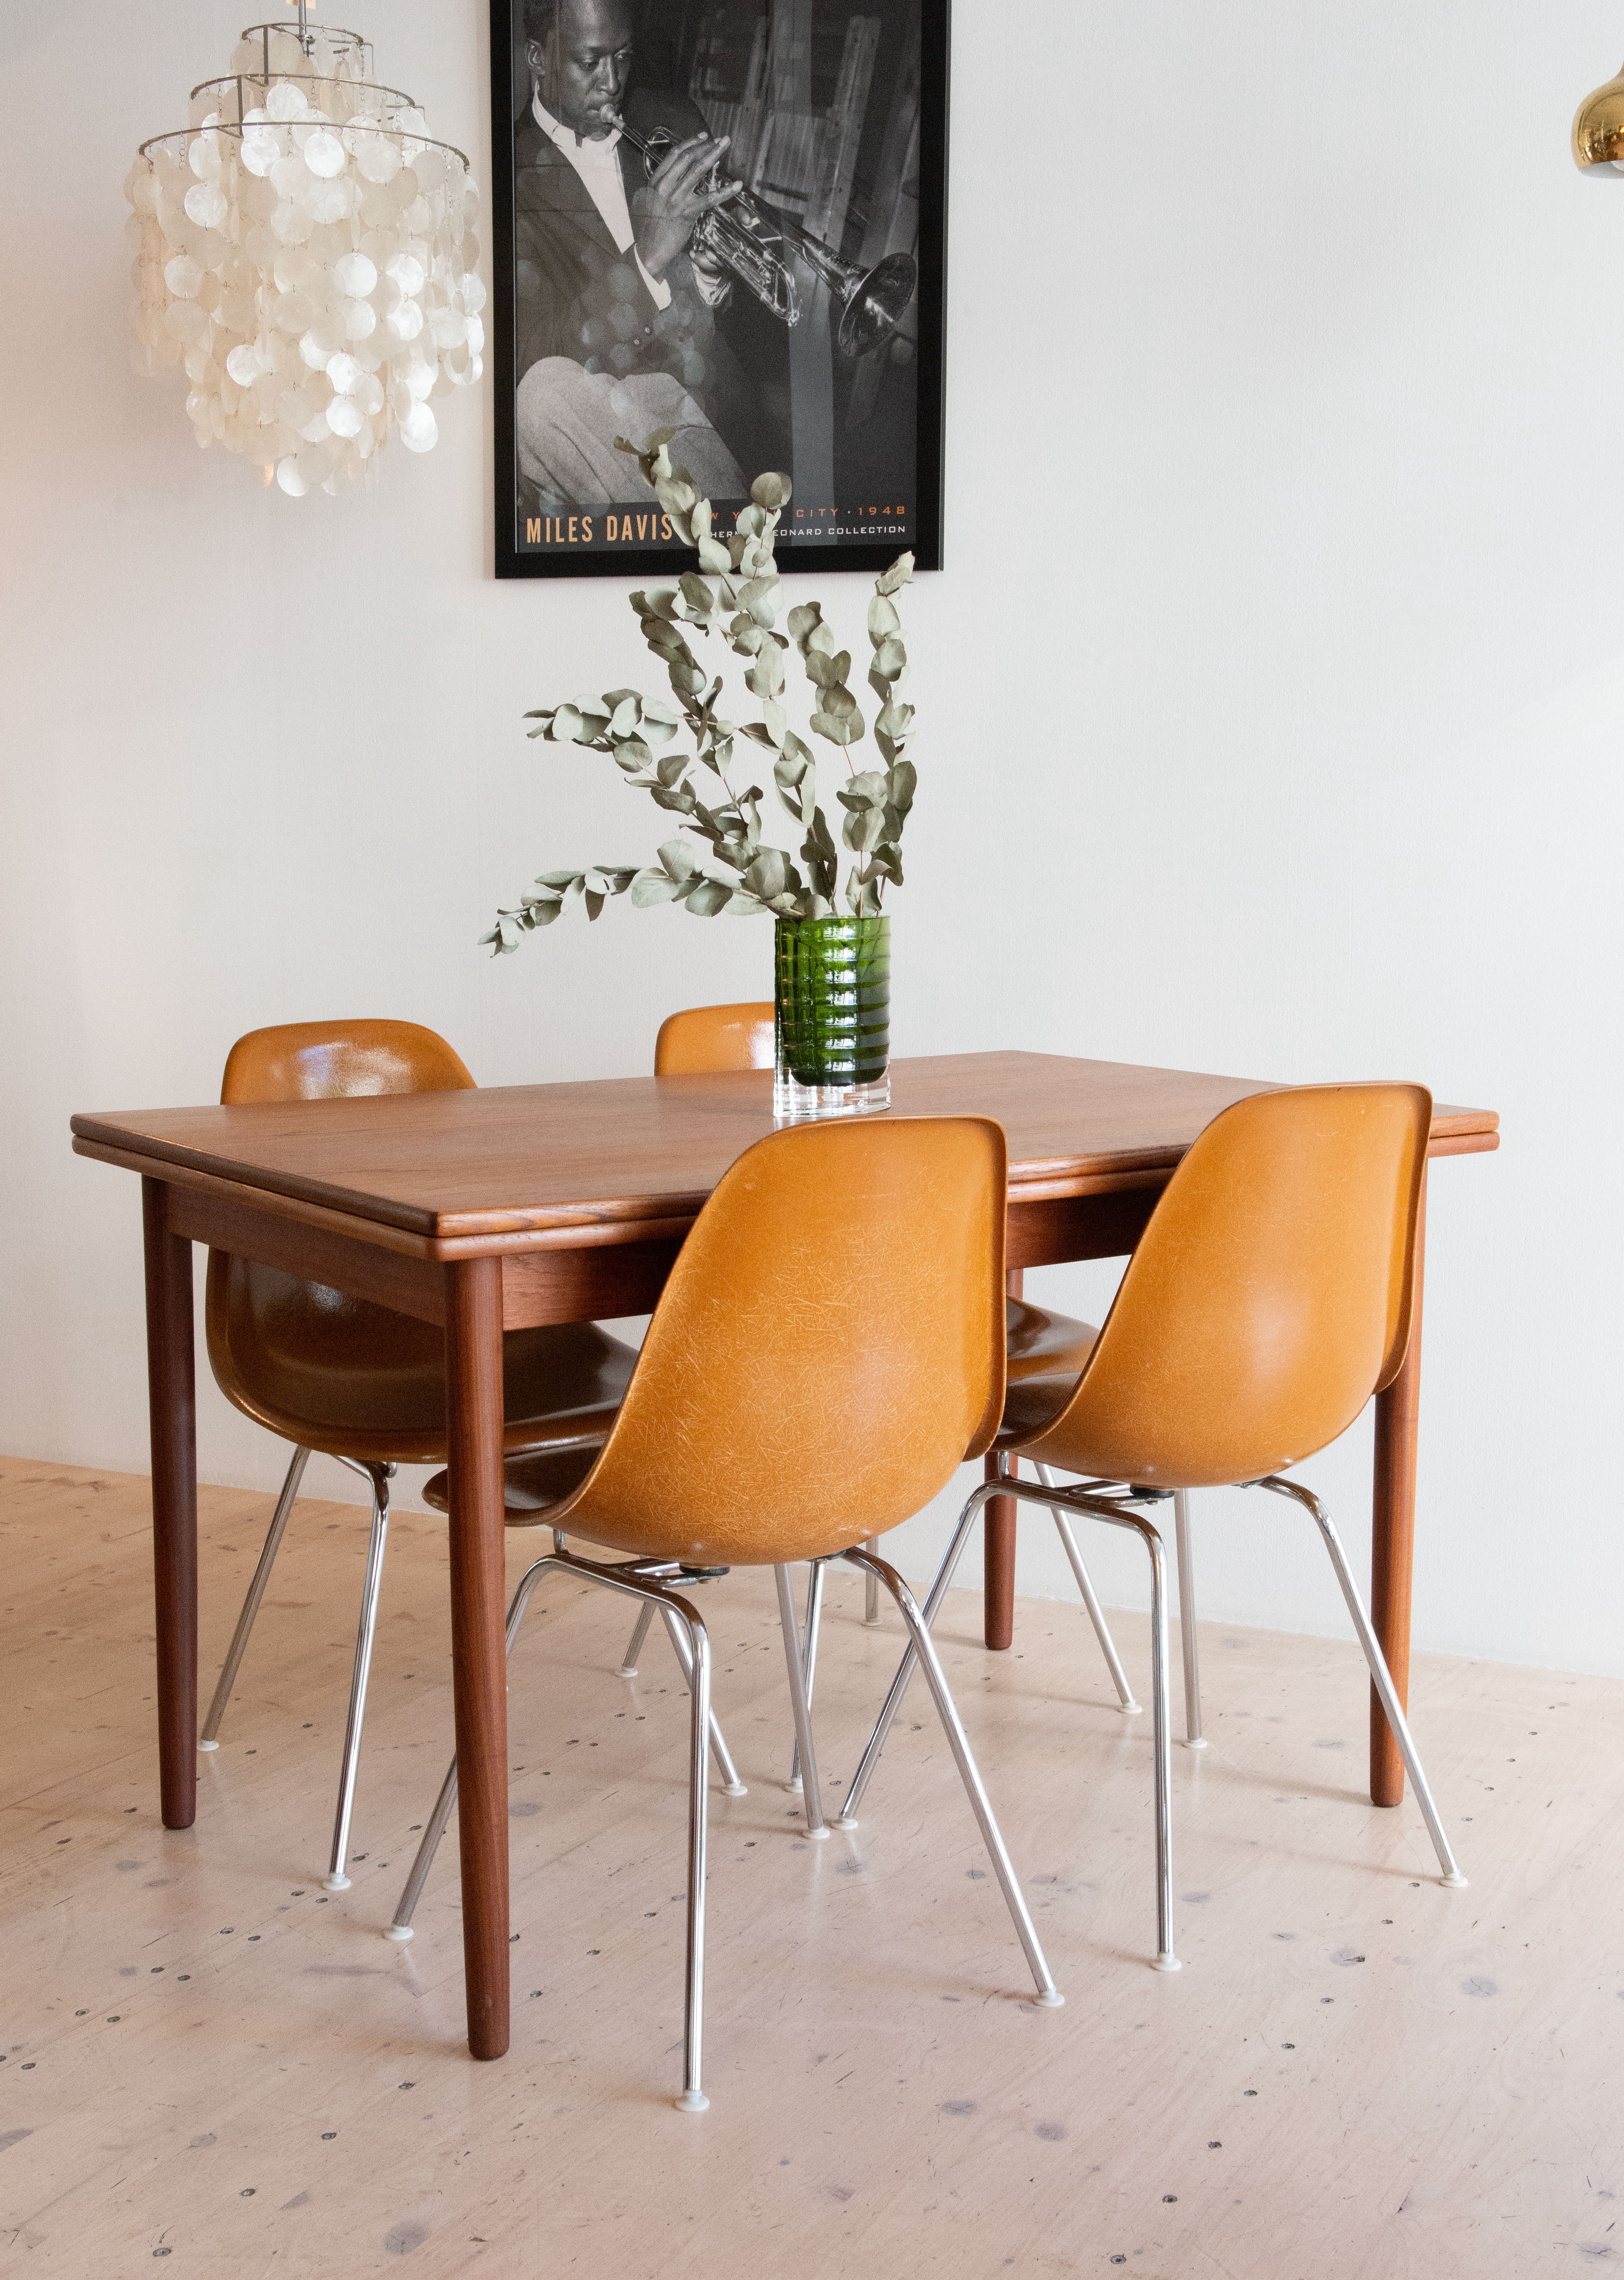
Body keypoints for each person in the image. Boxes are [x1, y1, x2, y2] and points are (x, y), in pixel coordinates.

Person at [512, 0, 772, 514]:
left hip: (712, 405)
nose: (612, 83)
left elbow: (741, 330)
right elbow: (530, 358)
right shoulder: (510, 176)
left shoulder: (673, 121)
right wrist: (645, 263)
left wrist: (707, 274)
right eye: (589, 63)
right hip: (606, 433)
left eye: (624, 57)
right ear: (537, 58)